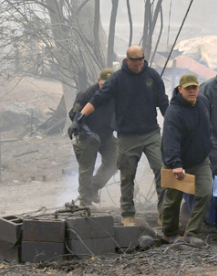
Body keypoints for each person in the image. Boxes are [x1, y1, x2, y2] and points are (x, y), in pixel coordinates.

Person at [69, 46, 169, 226]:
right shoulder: (117, 79)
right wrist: (80, 118)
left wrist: (172, 125)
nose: (139, 64)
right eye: (135, 61)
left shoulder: (152, 76)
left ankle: (164, 215)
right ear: (127, 60)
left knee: (162, 170)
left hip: (151, 133)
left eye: (141, 60)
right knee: (127, 176)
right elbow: (98, 98)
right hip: (127, 136)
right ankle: (128, 215)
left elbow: (163, 102)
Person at [160, 74, 214, 244]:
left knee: (206, 193)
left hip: (200, 160)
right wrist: (176, 164)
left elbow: (208, 125)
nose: (192, 91)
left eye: (194, 88)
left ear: (198, 88)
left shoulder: (203, 102)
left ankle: (192, 233)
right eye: (188, 88)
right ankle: (169, 232)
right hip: (176, 162)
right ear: (180, 89)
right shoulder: (174, 111)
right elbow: (170, 141)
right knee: (173, 200)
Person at [68, 67, 118, 207]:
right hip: (87, 136)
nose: (106, 88)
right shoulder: (86, 95)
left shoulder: (117, 95)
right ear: (98, 81)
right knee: (86, 168)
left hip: (106, 135)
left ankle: (93, 187)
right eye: (103, 84)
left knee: (116, 161)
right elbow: (74, 115)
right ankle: (85, 201)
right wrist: (87, 131)